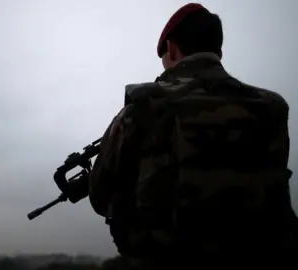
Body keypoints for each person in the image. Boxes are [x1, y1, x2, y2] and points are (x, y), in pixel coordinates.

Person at [88, 3, 296, 269]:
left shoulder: (143, 107)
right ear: (217, 50)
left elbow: (101, 196)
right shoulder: (272, 108)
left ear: (171, 48)